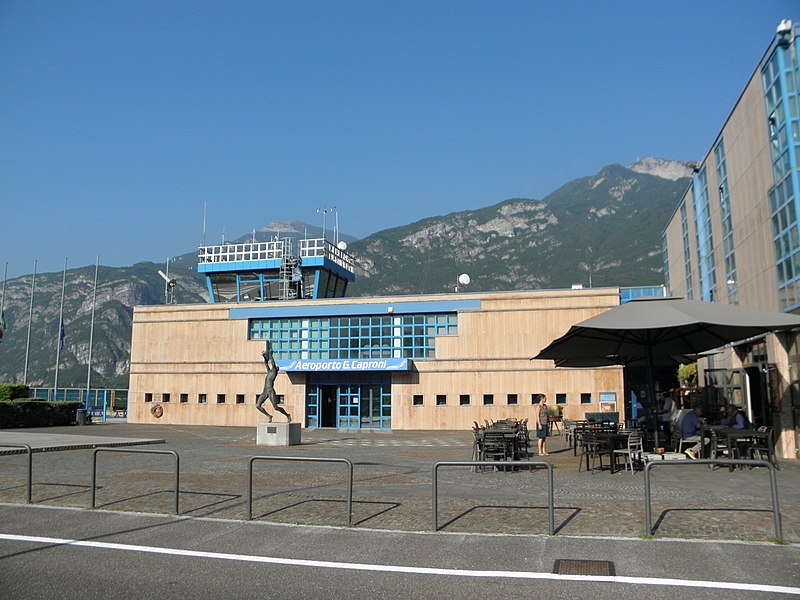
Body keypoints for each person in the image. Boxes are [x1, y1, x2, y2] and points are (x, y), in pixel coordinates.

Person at [256, 341, 291, 422]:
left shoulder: (274, 371)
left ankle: (287, 415)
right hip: (264, 392)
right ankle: (269, 416)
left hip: (271, 391)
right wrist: (264, 356)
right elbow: (266, 364)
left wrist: (271, 355)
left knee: (275, 407)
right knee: (258, 405)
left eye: (276, 367)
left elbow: (272, 363)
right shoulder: (269, 372)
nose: (275, 366)